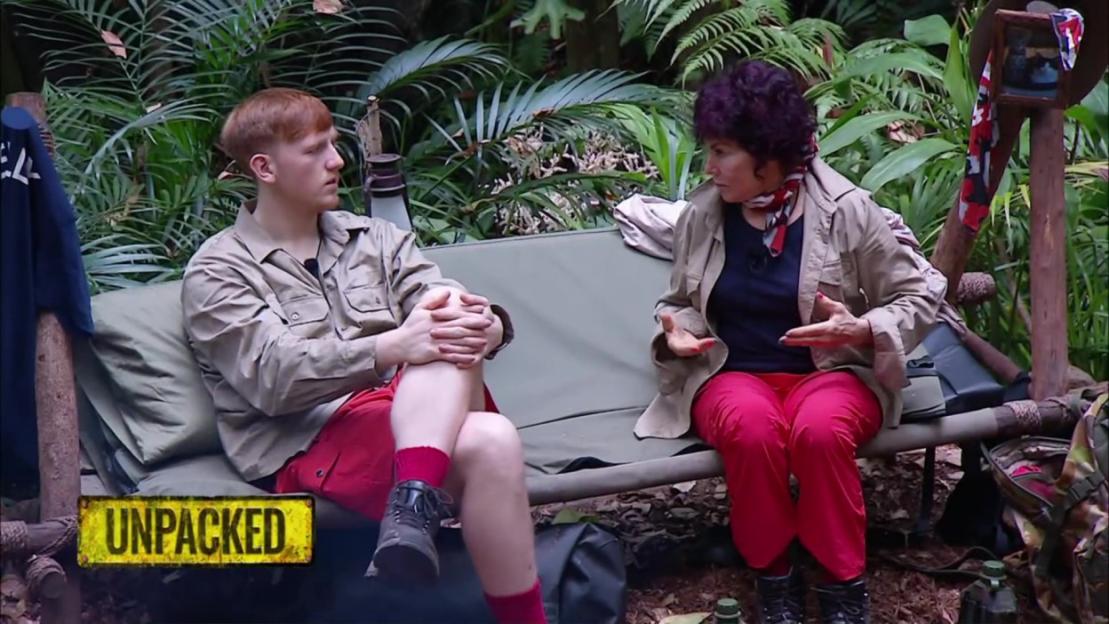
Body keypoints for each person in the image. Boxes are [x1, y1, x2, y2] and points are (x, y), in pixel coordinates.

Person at [181, 88, 546, 624]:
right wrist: (390, 347)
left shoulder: (375, 239)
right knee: (491, 440)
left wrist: (484, 325)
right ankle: (430, 520)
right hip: (309, 439)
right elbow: (273, 379)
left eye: (333, 144)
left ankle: (410, 510)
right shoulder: (219, 271)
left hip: (416, 410)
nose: (337, 161)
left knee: (442, 314)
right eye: (313, 150)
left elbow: (440, 298)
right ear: (264, 167)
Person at [635, 61, 942, 624]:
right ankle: (775, 580)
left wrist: (864, 328)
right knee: (753, 431)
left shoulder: (847, 210)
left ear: (768, 153)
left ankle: (843, 586)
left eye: (723, 151)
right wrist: (675, 330)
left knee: (821, 432)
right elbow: (678, 300)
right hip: (733, 373)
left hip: (832, 374)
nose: (710, 166)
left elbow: (918, 298)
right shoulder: (706, 213)